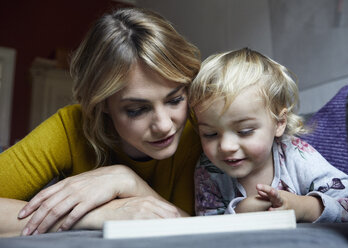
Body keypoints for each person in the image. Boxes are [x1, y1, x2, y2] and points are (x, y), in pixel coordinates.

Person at [0, 7, 202, 237]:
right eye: (137, 110)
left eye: (175, 99)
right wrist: (93, 216)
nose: (165, 125)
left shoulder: (201, 127)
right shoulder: (69, 127)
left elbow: (205, 228)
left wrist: (128, 182)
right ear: (102, 104)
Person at [188, 47, 348, 222]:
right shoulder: (208, 169)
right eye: (210, 134)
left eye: (244, 131)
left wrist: (304, 208)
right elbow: (207, 228)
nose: (226, 146)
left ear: (279, 123)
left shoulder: (295, 154)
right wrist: (238, 214)